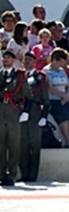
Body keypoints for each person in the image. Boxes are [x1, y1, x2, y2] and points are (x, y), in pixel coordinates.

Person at [0, 49, 30, 186]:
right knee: (1, 145)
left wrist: (26, 112)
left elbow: (27, 94)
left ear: (13, 60)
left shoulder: (19, 76)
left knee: (13, 145)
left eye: (8, 58)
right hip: (1, 112)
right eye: (4, 57)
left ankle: (11, 174)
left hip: (14, 111)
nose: (6, 60)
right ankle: (1, 174)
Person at [19, 53, 49, 182]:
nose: (26, 62)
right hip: (19, 110)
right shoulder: (19, 75)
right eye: (25, 60)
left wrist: (44, 115)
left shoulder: (40, 77)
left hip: (34, 111)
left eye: (29, 60)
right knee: (22, 143)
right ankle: (24, 173)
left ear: (34, 62)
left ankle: (32, 175)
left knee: (34, 144)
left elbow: (45, 97)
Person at [46, 49, 69, 148]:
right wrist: (62, 95)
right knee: (63, 117)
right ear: (56, 60)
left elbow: (68, 85)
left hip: (64, 99)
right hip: (53, 100)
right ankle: (67, 141)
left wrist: (67, 95)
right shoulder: (47, 71)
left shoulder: (62, 71)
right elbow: (49, 87)